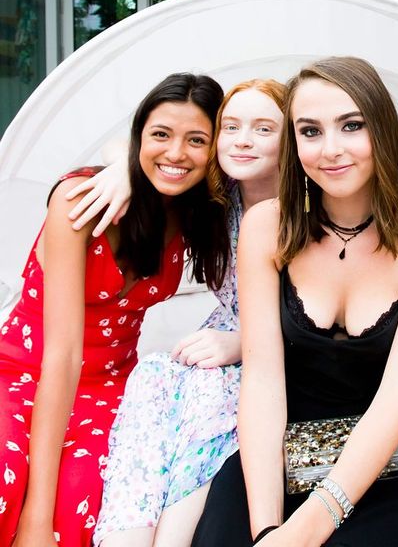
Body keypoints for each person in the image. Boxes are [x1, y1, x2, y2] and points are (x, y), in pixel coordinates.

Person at [192, 56, 398, 546]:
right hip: (298, 447)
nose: (331, 150)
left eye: (352, 126)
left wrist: (307, 529)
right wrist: (268, 528)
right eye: (310, 131)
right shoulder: (266, 227)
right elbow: (263, 381)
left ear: (380, 129)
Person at [0, 73, 228, 547]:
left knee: (92, 493)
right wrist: (36, 519)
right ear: (138, 136)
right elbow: (60, 358)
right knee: (7, 475)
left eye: (197, 140)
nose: (176, 153)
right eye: (161, 135)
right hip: (29, 374)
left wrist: (128, 164)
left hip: (113, 386)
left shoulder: (192, 212)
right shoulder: (79, 201)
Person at [85, 79, 285, 546]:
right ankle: (126, 538)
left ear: (292, 138)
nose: (242, 139)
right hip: (218, 336)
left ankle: (172, 539)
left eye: (262, 128)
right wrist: (121, 167)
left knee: (209, 397)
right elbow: (147, 145)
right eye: (230, 127)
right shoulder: (218, 199)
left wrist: (242, 344)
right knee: (155, 376)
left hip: (280, 350)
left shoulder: (309, 206)